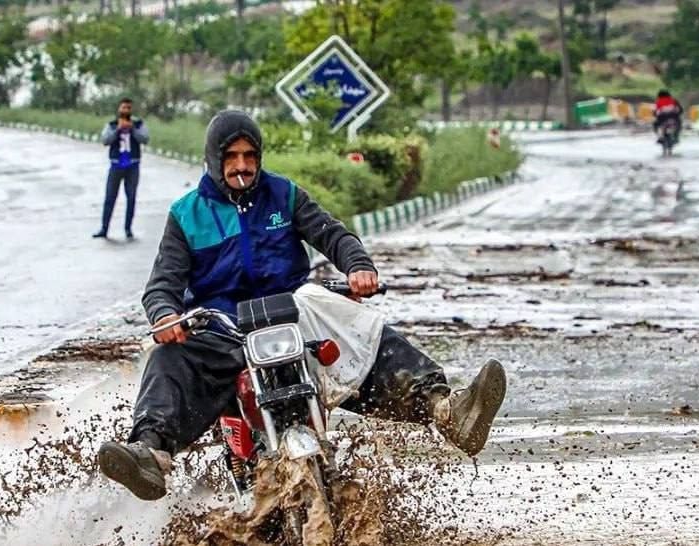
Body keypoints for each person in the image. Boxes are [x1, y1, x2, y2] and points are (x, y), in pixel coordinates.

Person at [96, 110, 508, 501]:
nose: (242, 165)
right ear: (213, 159)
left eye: (250, 156)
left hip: (292, 315)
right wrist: (166, 315)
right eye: (232, 157)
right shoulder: (187, 214)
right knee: (167, 356)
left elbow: (333, 235)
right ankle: (149, 453)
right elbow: (161, 285)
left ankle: (447, 411)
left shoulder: (285, 194)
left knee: (357, 326)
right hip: (224, 330)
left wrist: (358, 266)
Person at [94, 98, 149, 240]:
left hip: (132, 165)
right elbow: (105, 140)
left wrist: (133, 130)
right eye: (123, 107)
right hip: (116, 165)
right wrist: (118, 130)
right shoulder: (111, 125)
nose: (126, 110)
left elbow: (145, 139)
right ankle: (104, 228)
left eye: (128, 108)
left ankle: (128, 229)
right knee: (110, 197)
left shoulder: (138, 124)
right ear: (119, 109)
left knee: (131, 197)